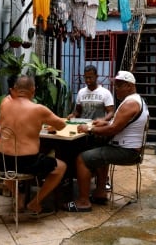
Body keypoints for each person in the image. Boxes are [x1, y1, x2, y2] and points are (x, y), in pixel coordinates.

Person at [63, 70, 149, 212]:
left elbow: (113, 130)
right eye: (115, 85)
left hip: (126, 151)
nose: (116, 89)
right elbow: (118, 124)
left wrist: (89, 130)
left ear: (129, 86)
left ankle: (83, 202)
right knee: (98, 146)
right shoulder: (134, 100)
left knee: (82, 158)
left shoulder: (130, 104)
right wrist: (103, 124)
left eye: (119, 86)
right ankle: (100, 193)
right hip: (127, 148)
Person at [0, 75, 67, 215]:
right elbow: (61, 125)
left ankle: (18, 197)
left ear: (14, 89)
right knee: (61, 167)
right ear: (33, 90)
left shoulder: (4, 103)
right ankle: (35, 203)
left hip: (2, 161)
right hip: (27, 162)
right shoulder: (38, 109)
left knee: (8, 170)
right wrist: (48, 124)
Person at [67, 65, 115, 190]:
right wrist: (72, 115)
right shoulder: (81, 92)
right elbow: (78, 111)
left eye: (90, 77)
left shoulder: (105, 93)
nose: (88, 80)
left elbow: (111, 112)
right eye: (86, 78)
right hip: (83, 130)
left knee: (99, 156)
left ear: (96, 77)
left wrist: (103, 120)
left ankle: (104, 181)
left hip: (98, 131)